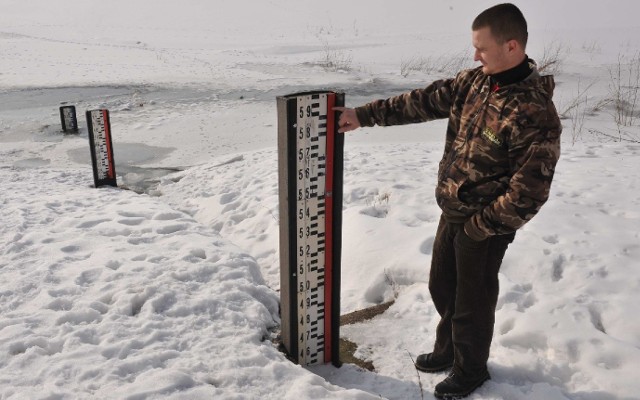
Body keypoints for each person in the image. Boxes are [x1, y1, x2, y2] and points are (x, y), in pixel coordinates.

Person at [334, 3, 561, 399]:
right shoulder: (474, 82)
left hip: (487, 224)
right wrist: (363, 115)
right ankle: (448, 350)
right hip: (452, 210)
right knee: (443, 287)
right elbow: (420, 102)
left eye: (482, 48)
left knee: (472, 302)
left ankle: (471, 370)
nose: (475, 55)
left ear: (511, 47)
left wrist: (480, 228)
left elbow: (530, 190)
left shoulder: (533, 110)